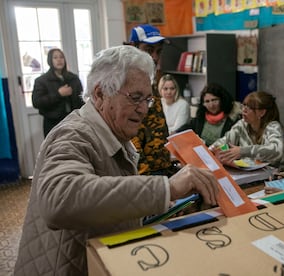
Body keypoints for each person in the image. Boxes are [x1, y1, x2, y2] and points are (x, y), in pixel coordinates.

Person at [13, 46, 219, 276]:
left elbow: (108, 201)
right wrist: (166, 188)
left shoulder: (113, 132)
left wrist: (159, 205)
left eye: (147, 100)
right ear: (100, 94)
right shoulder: (73, 134)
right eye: (135, 98)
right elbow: (59, 198)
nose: (143, 110)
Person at [125, 24, 177, 176]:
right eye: (148, 51)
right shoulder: (127, 83)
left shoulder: (150, 79)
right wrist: (148, 181)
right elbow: (130, 138)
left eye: (158, 52)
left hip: (162, 167)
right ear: (133, 47)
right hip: (144, 175)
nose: (154, 57)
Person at [210, 91, 284, 171]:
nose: (243, 110)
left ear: (262, 112)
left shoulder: (273, 126)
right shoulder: (242, 124)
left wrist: (242, 151)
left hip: (278, 175)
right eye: (244, 105)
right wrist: (209, 151)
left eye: (249, 108)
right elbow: (224, 142)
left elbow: (277, 151)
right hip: (252, 173)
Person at [32, 48, 84, 137]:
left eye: (61, 57)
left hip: (74, 121)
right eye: (55, 58)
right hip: (53, 124)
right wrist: (58, 94)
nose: (59, 60)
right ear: (50, 60)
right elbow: (37, 102)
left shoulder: (73, 78)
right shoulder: (42, 80)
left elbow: (81, 99)